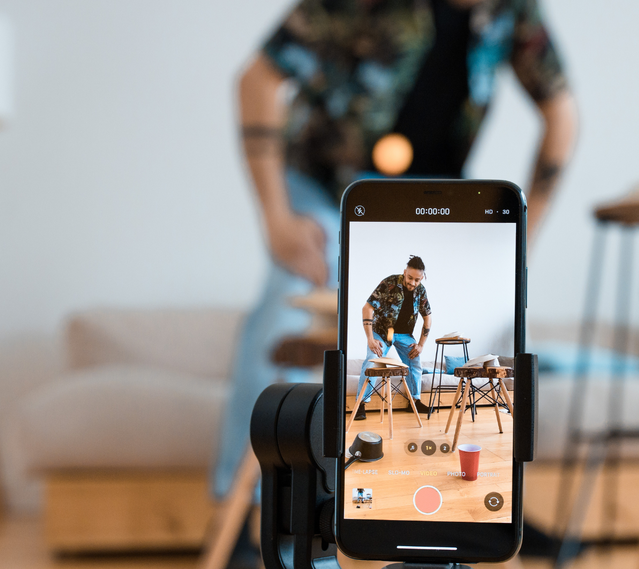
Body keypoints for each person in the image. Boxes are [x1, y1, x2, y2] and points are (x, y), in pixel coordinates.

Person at [214, 0, 578, 507]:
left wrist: (523, 240)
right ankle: (251, 514)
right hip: (326, 185)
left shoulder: (513, 12)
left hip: (433, 197)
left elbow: (562, 111)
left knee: (504, 334)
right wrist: (276, 219)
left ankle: (490, 497)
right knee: (284, 311)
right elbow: (257, 79)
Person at [357, 256, 433, 420]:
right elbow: (367, 308)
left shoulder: (421, 291)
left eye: (417, 280)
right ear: (405, 272)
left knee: (415, 360)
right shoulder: (388, 283)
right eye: (410, 278)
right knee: (372, 360)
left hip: (404, 334)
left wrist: (420, 344)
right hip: (382, 332)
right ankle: (360, 405)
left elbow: (428, 317)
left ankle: (414, 401)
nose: (413, 283)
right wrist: (370, 339)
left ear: (423, 277)